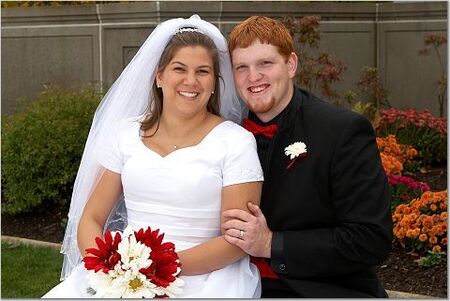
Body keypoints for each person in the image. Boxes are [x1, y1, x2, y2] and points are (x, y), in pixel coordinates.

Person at [43, 15, 263, 298]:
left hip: (205, 275)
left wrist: (157, 268)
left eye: (203, 72)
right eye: (179, 69)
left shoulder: (235, 141)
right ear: (159, 76)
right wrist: (110, 267)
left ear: (214, 83)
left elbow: (236, 241)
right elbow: (92, 218)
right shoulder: (125, 134)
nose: (191, 81)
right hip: (125, 271)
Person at [222, 16, 393, 298]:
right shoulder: (223, 134)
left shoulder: (341, 131)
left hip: (320, 289)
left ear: (290, 65)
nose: (253, 77)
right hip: (234, 286)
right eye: (242, 67)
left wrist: (271, 244)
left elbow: (370, 239)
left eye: (265, 63)